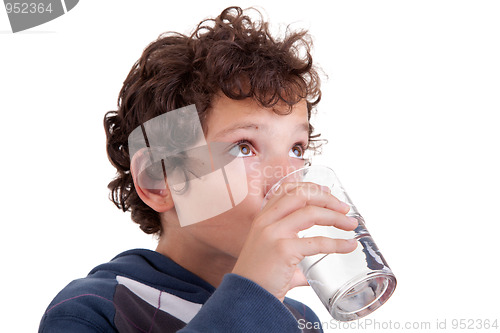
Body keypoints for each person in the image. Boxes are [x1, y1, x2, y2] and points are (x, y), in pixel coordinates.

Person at [38, 6, 358, 332]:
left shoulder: (297, 320)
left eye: (296, 149)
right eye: (244, 147)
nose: (283, 179)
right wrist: (254, 293)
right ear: (159, 179)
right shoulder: (94, 310)